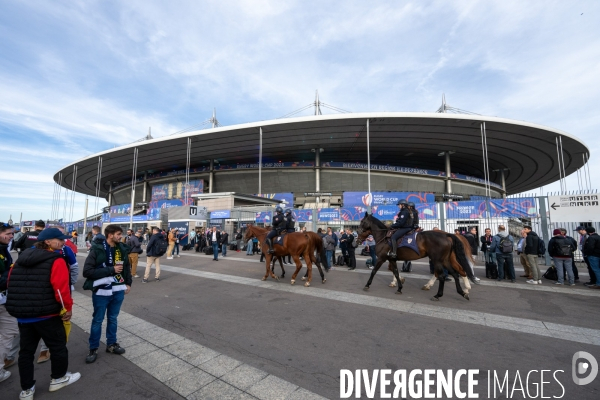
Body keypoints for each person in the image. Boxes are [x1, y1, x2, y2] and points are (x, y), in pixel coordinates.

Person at [6, 227, 80, 397]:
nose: (63, 242)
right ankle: (58, 378)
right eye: (59, 240)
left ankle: (26, 390)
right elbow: (61, 290)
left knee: (26, 352)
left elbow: (11, 283)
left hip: (24, 316)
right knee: (58, 346)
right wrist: (67, 309)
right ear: (47, 242)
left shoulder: (20, 259)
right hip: (47, 314)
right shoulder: (56, 260)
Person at [83, 225, 132, 364]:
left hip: (118, 289)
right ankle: (93, 348)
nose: (120, 237)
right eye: (118, 234)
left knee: (113, 318)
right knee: (98, 320)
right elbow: (87, 271)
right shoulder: (97, 249)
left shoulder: (121, 248)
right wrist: (111, 270)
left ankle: (111, 344)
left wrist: (128, 283)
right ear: (110, 235)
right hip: (101, 291)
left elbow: (126, 268)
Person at [0, 222, 18, 384]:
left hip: (4, 301)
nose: (12, 236)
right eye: (8, 233)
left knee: (10, 332)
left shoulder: (3, 249)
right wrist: (12, 275)